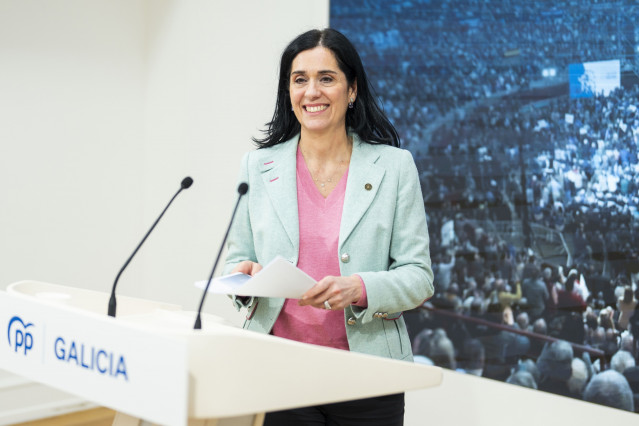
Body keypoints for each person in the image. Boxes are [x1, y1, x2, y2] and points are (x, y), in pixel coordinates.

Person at [223, 28, 434, 426]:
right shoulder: (257, 167)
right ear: (288, 91)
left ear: (351, 90)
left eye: (327, 78)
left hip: (369, 377)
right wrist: (243, 278)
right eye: (299, 79)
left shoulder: (394, 166)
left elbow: (419, 277)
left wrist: (361, 287)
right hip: (278, 371)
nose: (311, 91)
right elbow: (240, 259)